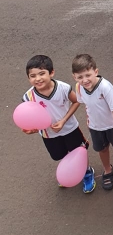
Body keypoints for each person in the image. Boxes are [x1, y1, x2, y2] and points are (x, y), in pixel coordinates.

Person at [20, 54, 94, 193]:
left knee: (78, 151)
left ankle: (87, 173)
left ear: (51, 72)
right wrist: (30, 128)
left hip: (70, 129)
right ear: (28, 78)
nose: (38, 79)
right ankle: (68, 173)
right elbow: (27, 116)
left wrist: (64, 120)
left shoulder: (63, 88)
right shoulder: (28, 97)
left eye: (42, 74)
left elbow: (76, 101)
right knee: (59, 155)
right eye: (33, 76)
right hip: (48, 134)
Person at [73, 53, 113, 194]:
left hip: (112, 126)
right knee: (102, 149)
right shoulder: (79, 87)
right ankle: (107, 169)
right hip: (95, 126)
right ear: (74, 77)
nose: (84, 80)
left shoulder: (105, 87)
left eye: (88, 75)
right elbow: (85, 103)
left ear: (96, 72)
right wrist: (90, 120)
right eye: (80, 77)